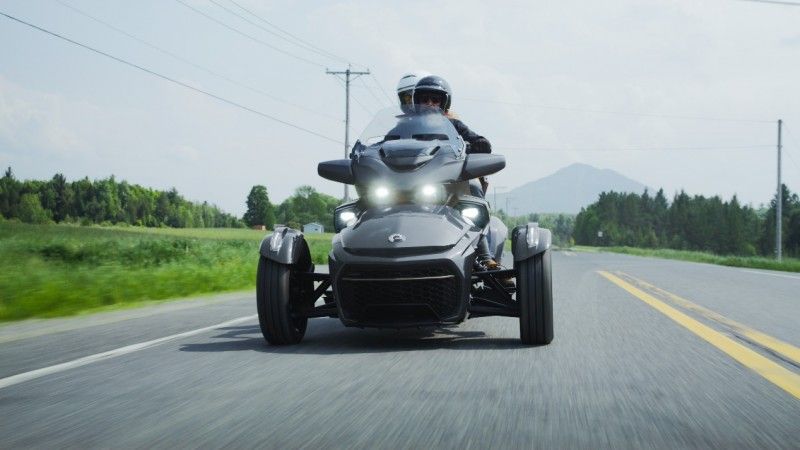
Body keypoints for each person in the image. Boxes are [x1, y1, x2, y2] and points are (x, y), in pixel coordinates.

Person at [409, 74, 501, 271]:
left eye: (435, 100)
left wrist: (477, 144)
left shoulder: (454, 125)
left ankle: (485, 257)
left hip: (449, 183)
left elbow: (480, 142)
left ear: (444, 104)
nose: (430, 103)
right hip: (410, 182)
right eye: (425, 99)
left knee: (473, 189)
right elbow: (384, 144)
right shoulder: (404, 127)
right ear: (417, 102)